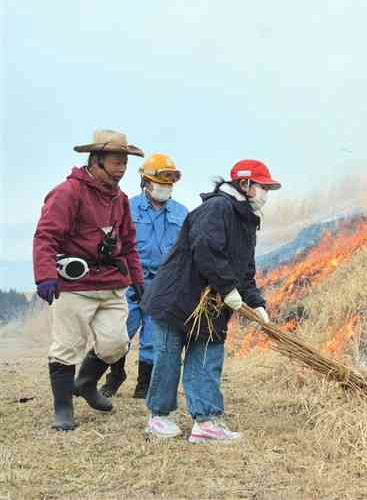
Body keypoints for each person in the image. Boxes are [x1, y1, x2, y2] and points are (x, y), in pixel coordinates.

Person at [140, 159, 279, 443]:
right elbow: (206, 248)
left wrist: (256, 302)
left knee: (207, 356)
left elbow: (245, 269)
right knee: (168, 356)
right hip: (179, 296)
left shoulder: (247, 220)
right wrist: (228, 288)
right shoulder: (218, 208)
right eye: (262, 186)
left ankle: (205, 421)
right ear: (244, 184)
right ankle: (159, 417)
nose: (266, 193)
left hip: (211, 304)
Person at [33, 129, 145, 431]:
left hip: (111, 283)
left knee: (116, 343)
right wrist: (45, 276)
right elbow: (46, 236)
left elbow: (129, 243)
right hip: (75, 286)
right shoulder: (68, 192)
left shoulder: (120, 199)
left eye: (125, 163)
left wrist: (138, 281)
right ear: (96, 160)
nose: (122, 169)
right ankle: (63, 409)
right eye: (116, 162)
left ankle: (85, 382)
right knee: (67, 345)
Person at [99, 153, 188, 399]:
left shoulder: (182, 213)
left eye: (170, 183)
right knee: (120, 331)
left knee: (153, 335)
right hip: (128, 280)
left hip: (163, 283)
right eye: (161, 182)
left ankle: (144, 383)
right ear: (146, 182)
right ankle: (115, 376)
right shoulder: (126, 207)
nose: (165, 187)